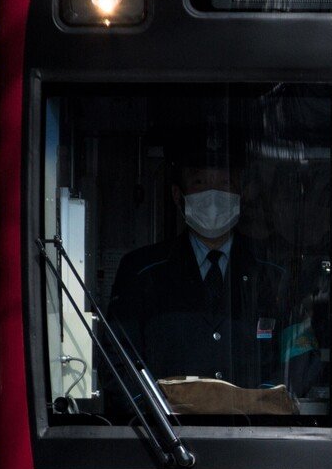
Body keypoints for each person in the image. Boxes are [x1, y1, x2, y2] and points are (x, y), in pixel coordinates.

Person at [107, 129, 289, 395]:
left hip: (253, 431)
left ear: (243, 192)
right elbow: (117, 365)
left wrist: (261, 406)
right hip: (168, 432)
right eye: (200, 182)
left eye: (225, 183)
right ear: (177, 195)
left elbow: (298, 361)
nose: (213, 195)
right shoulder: (141, 271)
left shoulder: (273, 272)